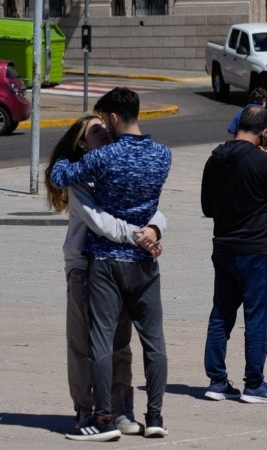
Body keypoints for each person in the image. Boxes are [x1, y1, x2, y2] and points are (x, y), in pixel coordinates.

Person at [50, 88, 172, 441]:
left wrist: (152, 228)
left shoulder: (101, 163)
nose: (103, 130)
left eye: (103, 124)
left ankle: (119, 412)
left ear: (115, 119)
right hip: (90, 264)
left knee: (117, 344)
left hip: (110, 262)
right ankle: (89, 412)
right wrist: (144, 234)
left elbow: (152, 209)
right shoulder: (157, 154)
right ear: (82, 145)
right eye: (94, 131)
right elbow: (100, 220)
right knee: (85, 344)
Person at [200, 106, 267, 403]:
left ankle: (217, 381)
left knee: (221, 314)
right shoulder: (262, 161)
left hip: (224, 247)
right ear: (265, 133)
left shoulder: (214, 158)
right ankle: (254, 384)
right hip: (255, 250)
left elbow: (207, 207)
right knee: (257, 318)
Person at [227, 87, 267, 155]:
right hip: (260, 154)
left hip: (240, 151)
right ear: (264, 100)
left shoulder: (239, 114)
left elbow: (231, 136)